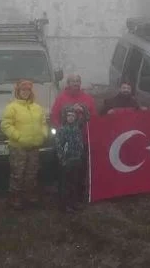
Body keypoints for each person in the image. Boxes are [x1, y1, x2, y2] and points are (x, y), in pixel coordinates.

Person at [1, 79, 48, 210]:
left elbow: (43, 123)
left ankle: (29, 195)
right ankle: (15, 198)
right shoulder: (11, 107)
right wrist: (18, 137)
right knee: (18, 173)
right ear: (18, 91)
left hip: (34, 146)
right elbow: (5, 125)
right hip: (18, 147)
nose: (25, 92)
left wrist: (43, 134)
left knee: (32, 173)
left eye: (28, 90)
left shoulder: (37, 107)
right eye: (23, 90)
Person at [50, 74, 96, 205]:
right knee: (65, 172)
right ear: (68, 83)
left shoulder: (88, 98)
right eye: (73, 81)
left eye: (77, 81)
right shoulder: (61, 98)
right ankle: (64, 199)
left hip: (82, 141)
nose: (75, 83)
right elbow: (54, 117)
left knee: (80, 171)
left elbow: (94, 117)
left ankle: (79, 197)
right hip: (65, 142)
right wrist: (61, 131)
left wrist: (83, 111)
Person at [55, 105, 85, 213]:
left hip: (76, 159)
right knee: (65, 184)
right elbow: (58, 146)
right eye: (68, 115)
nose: (71, 117)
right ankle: (64, 205)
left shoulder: (77, 129)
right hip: (66, 161)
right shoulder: (62, 130)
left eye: (73, 115)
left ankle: (73, 203)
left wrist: (82, 108)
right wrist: (62, 159)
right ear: (65, 117)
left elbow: (87, 116)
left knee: (74, 183)